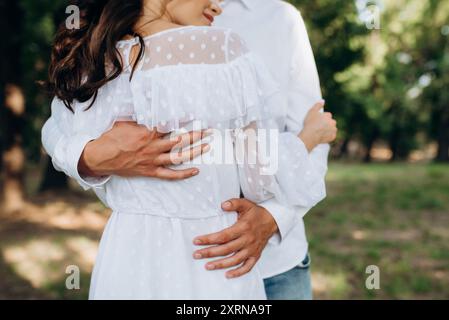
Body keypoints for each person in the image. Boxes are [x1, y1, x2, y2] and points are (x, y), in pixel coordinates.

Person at [42, 0, 337, 299]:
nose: (217, 6)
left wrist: (273, 217)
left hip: (127, 257)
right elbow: (260, 180)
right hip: (212, 261)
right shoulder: (224, 49)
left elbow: (62, 130)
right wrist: (308, 137)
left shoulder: (97, 58)